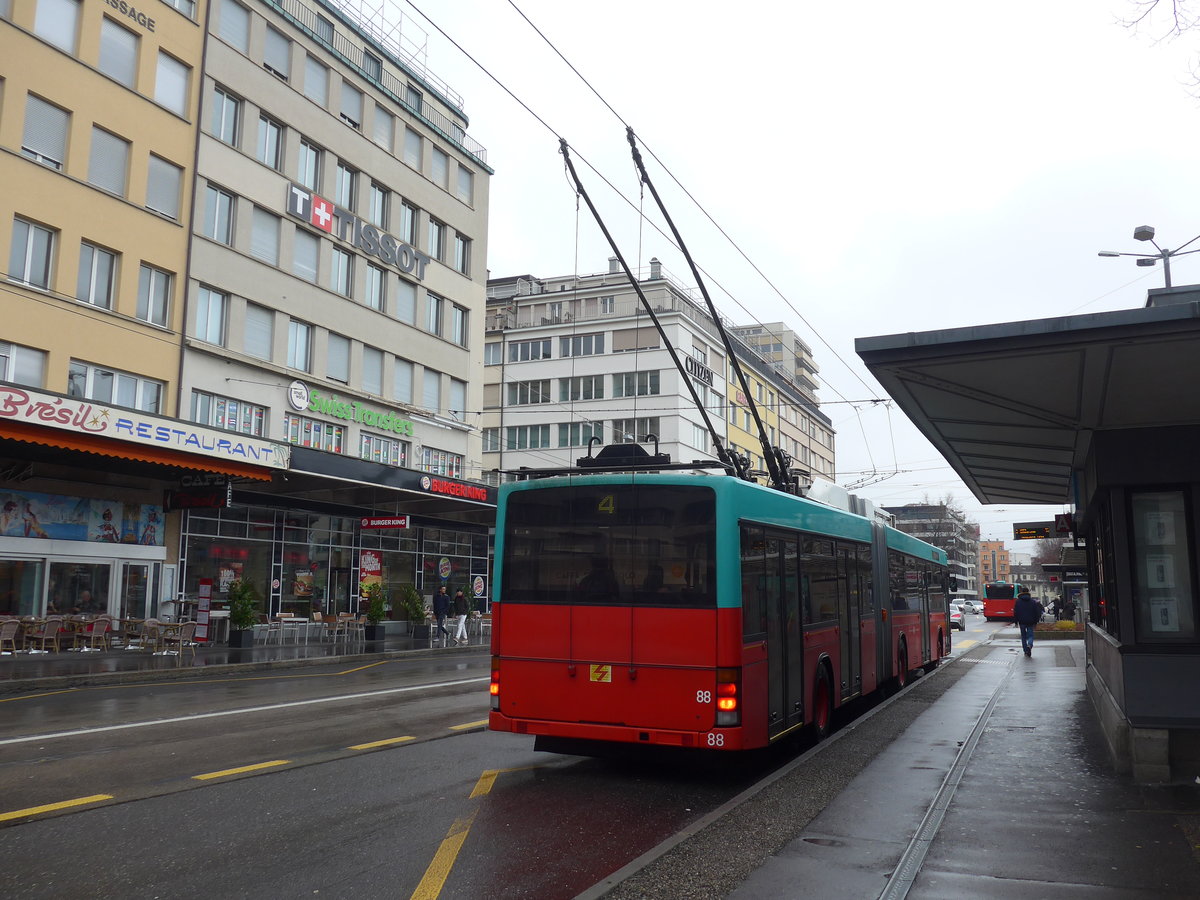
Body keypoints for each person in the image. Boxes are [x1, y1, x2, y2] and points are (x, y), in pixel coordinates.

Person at [1013, 589, 1044, 657]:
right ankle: (1029, 645)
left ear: (1021, 592)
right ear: (1028, 593)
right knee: (1030, 635)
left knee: (1023, 636)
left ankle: (1025, 650)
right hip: (1031, 621)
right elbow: (1036, 612)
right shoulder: (1032, 601)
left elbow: (1015, 612)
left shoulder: (1018, 602)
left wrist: (1016, 622)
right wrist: (1036, 621)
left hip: (1022, 622)